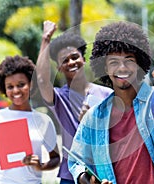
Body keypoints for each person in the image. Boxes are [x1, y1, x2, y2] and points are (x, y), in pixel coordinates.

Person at [67, 21, 154, 184]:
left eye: (129, 60)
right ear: (105, 68)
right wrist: (90, 181)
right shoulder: (95, 116)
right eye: (113, 62)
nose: (122, 68)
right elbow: (77, 162)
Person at [0, 55, 60, 184]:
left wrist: (40, 166)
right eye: (10, 87)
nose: (16, 90)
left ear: (31, 84)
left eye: (21, 84)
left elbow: (55, 158)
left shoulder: (43, 120)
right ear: (4, 89)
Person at [36, 21, 113, 184]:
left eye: (74, 57)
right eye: (64, 60)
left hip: (106, 172)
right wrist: (46, 38)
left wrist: (92, 120)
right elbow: (42, 80)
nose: (71, 62)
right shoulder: (60, 98)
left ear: (83, 59)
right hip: (70, 176)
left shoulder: (107, 94)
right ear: (58, 67)